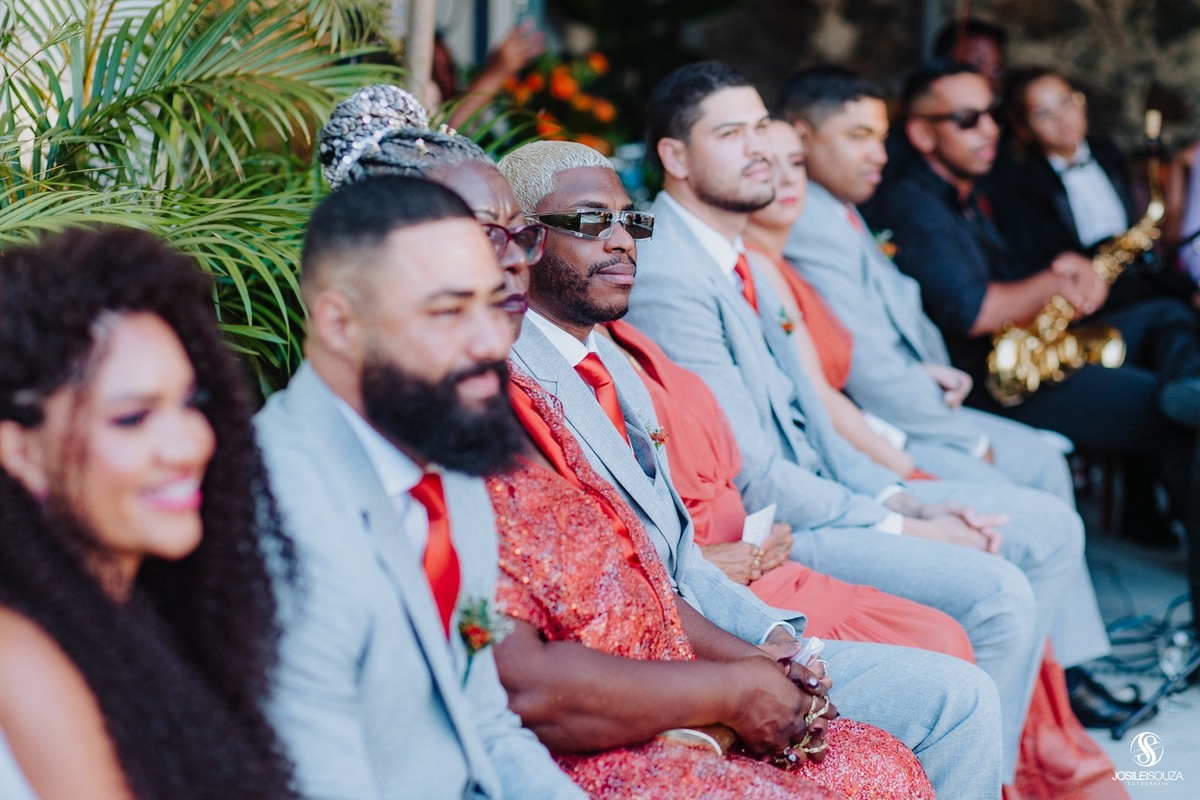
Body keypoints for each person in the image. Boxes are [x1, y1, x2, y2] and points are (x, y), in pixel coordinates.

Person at [317, 91, 950, 798]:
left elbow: (639, 567)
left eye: (508, 238)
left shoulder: (522, 405)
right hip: (596, 726)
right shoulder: (338, 469)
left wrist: (754, 667)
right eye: (468, 240)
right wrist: (727, 695)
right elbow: (507, 694)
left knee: (892, 749)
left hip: (674, 670)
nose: (500, 268)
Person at [622, 59, 1111, 783]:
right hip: (774, 532)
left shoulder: (738, 256)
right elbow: (758, 472)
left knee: (1018, 538)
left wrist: (906, 499)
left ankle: (990, 771)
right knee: (998, 589)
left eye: (763, 125)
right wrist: (903, 524)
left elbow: (817, 420)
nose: (760, 147)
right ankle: (987, 775)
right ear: (675, 157)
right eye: (732, 133)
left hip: (823, 496)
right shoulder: (670, 272)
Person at [501, 138, 1007, 799]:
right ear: (525, 241)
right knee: (953, 687)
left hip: (721, 624)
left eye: (633, 221)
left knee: (960, 691)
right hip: (641, 680)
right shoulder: (514, 387)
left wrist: (774, 641)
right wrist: (740, 675)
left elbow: (676, 553)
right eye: (595, 221)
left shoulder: (609, 358)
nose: (623, 241)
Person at [756, 84, 1128, 800]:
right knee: (1019, 534)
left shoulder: (820, 228)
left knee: (1039, 487)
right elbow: (831, 400)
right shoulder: (784, 247)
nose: (785, 184)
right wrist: (903, 492)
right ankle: (1015, 744)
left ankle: (1047, 699)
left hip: (884, 436)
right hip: (854, 467)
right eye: (859, 136)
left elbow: (862, 357)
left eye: (795, 167)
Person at [255, 176, 583, 800]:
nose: (491, 342)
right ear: (339, 323)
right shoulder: (276, 518)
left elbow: (485, 724)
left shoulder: (443, 455)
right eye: (447, 311)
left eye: (494, 303)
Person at [0, 227, 297, 799]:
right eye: (132, 418)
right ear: (19, 451)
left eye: (190, 403)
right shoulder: (20, 659)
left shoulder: (137, 609)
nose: (186, 445)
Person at [864, 61, 1200, 503]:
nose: (988, 131)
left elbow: (1008, 272)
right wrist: (1055, 282)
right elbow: (974, 312)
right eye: (968, 120)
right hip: (998, 383)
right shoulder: (914, 206)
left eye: (992, 115)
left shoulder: (963, 194)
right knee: (1181, 422)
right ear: (923, 134)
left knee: (1167, 316)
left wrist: (1063, 266)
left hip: (1026, 349)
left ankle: (1190, 385)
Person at [773, 66, 1076, 505]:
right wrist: (967, 439)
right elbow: (868, 365)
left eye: (880, 137)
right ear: (803, 137)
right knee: (1030, 511)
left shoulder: (842, 207)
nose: (879, 155)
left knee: (1044, 466)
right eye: (859, 136)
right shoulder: (807, 220)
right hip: (882, 423)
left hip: (922, 397)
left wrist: (929, 374)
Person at [991, 66, 1198, 309]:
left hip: (1138, 276)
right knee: (1172, 319)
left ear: (1081, 103)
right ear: (1024, 129)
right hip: (1084, 295)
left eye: (1065, 103)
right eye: (1043, 114)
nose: (1061, 119)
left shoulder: (1107, 152)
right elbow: (1032, 259)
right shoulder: (1024, 184)